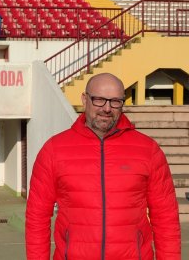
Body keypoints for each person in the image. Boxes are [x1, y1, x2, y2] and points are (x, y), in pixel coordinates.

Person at [25, 73, 181, 260]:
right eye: (99, 100)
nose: (107, 108)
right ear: (85, 99)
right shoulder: (53, 150)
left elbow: (166, 218)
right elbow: (37, 217)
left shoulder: (148, 150)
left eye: (115, 101)